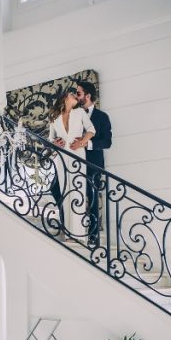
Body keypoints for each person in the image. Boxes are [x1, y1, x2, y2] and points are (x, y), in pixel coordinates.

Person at [48, 89, 96, 241]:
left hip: (78, 155)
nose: (75, 96)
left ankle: (80, 234)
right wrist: (55, 142)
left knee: (78, 192)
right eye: (72, 94)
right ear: (64, 98)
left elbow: (91, 130)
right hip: (62, 158)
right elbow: (50, 140)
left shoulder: (80, 112)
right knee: (65, 191)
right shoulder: (54, 117)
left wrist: (82, 142)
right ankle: (68, 232)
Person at [75, 80, 112, 247]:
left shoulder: (102, 117)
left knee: (93, 198)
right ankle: (72, 228)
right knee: (66, 192)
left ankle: (93, 235)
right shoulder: (74, 114)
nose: (76, 96)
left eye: (79, 93)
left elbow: (107, 142)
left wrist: (86, 143)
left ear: (87, 96)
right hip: (74, 163)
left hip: (94, 164)